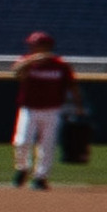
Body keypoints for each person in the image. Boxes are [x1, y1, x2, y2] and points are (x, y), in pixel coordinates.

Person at [6, 29, 76, 189]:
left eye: (36, 45)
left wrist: (78, 106)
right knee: (22, 141)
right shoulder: (27, 61)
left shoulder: (60, 65)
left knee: (47, 144)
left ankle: (40, 177)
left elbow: (72, 86)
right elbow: (15, 72)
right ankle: (22, 168)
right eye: (32, 44)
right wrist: (32, 60)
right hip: (29, 109)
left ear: (47, 46)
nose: (32, 47)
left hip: (52, 109)